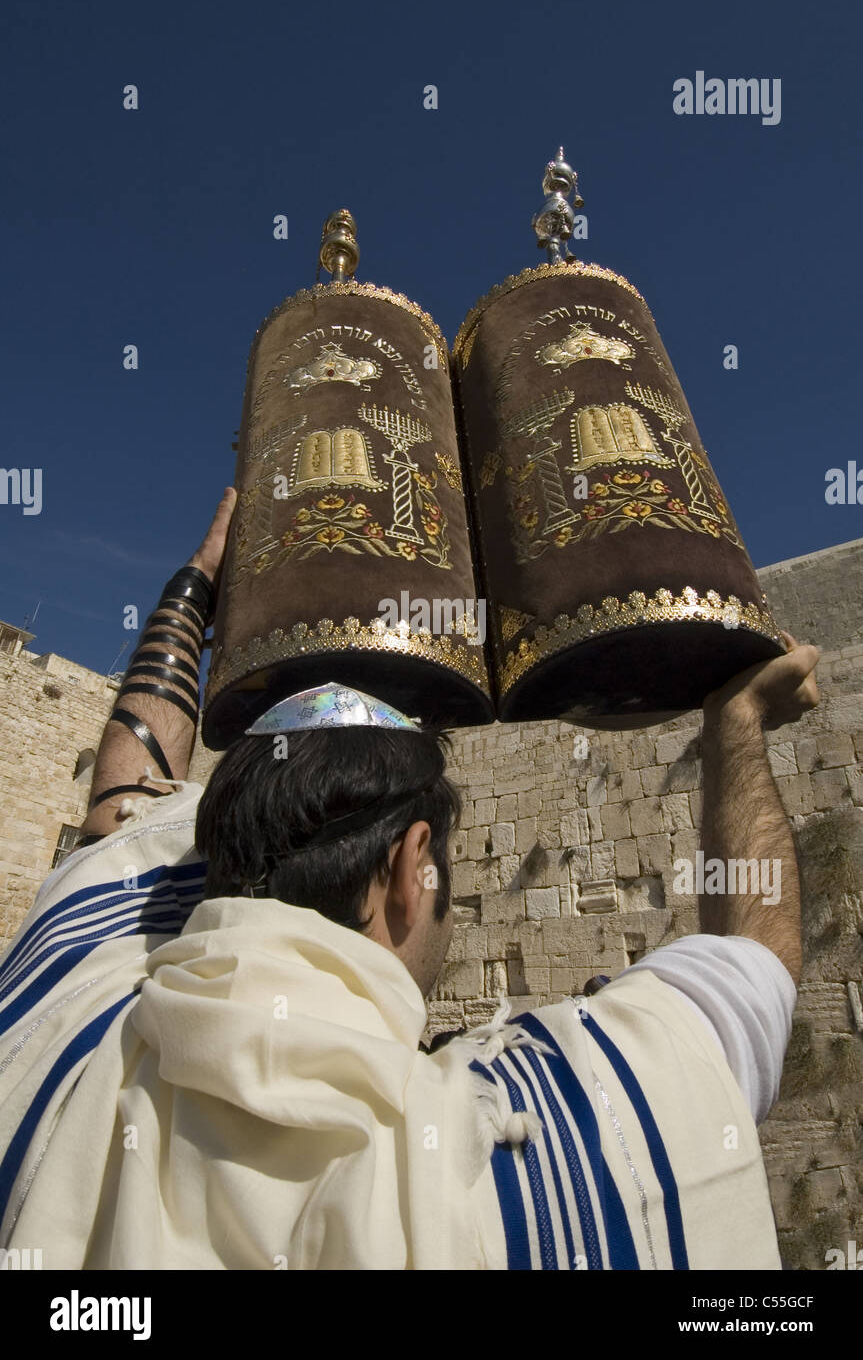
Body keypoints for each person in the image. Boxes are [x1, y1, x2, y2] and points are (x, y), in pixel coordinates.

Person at [0, 489, 819, 1270]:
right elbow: (760, 960)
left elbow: (121, 804)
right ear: (409, 864)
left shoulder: (56, 1025)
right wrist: (736, 722)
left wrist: (196, 588)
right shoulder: (525, 1153)